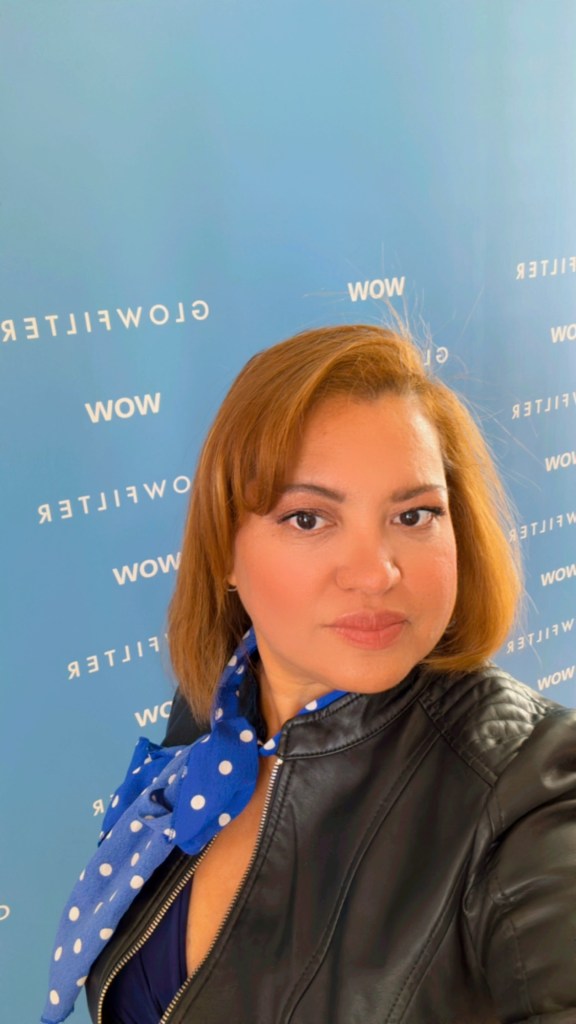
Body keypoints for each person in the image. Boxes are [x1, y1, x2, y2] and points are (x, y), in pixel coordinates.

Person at [42, 324, 576, 1024]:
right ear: (224, 553)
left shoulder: (530, 785)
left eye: (414, 514)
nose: (375, 573)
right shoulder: (212, 707)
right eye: (307, 519)